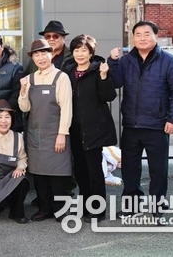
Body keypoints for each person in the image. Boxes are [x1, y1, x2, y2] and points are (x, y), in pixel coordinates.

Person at [108, 21, 173, 217]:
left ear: (155, 36)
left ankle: (157, 207)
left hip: (157, 126)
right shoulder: (126, 61)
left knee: (158, 170)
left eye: (146, 34)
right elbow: (116, 83)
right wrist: (113, 62)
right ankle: (132, 207)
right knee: (129, 170)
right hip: (131, 126)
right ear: (133, 38)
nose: (142, 38)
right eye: (138, 34)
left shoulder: (169, 61)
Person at [62, 34, 117, 222]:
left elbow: (109, 96)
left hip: (94, 129)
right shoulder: (68, 71)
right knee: (80, 170)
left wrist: (103, 77)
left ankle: (98, 210)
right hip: (74, 128)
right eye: (76, 50)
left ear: (91, 52)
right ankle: (84, 207)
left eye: (84, 50)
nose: (80, 54)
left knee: (94, 170)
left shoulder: (98, 69)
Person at [18, 39, 73, 222]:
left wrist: (62, 134)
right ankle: (44, 208)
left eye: (44, 53)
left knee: (57, 173)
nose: (41, 58)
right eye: (36, 55)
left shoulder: (61, 77)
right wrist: (23, 90)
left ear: (51, 54)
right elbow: (25, 108)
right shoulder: (30, 79)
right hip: (35, 133)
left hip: (56, 132)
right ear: (32, 58)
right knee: (39, 173)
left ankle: (60, 209)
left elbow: (66, 108)